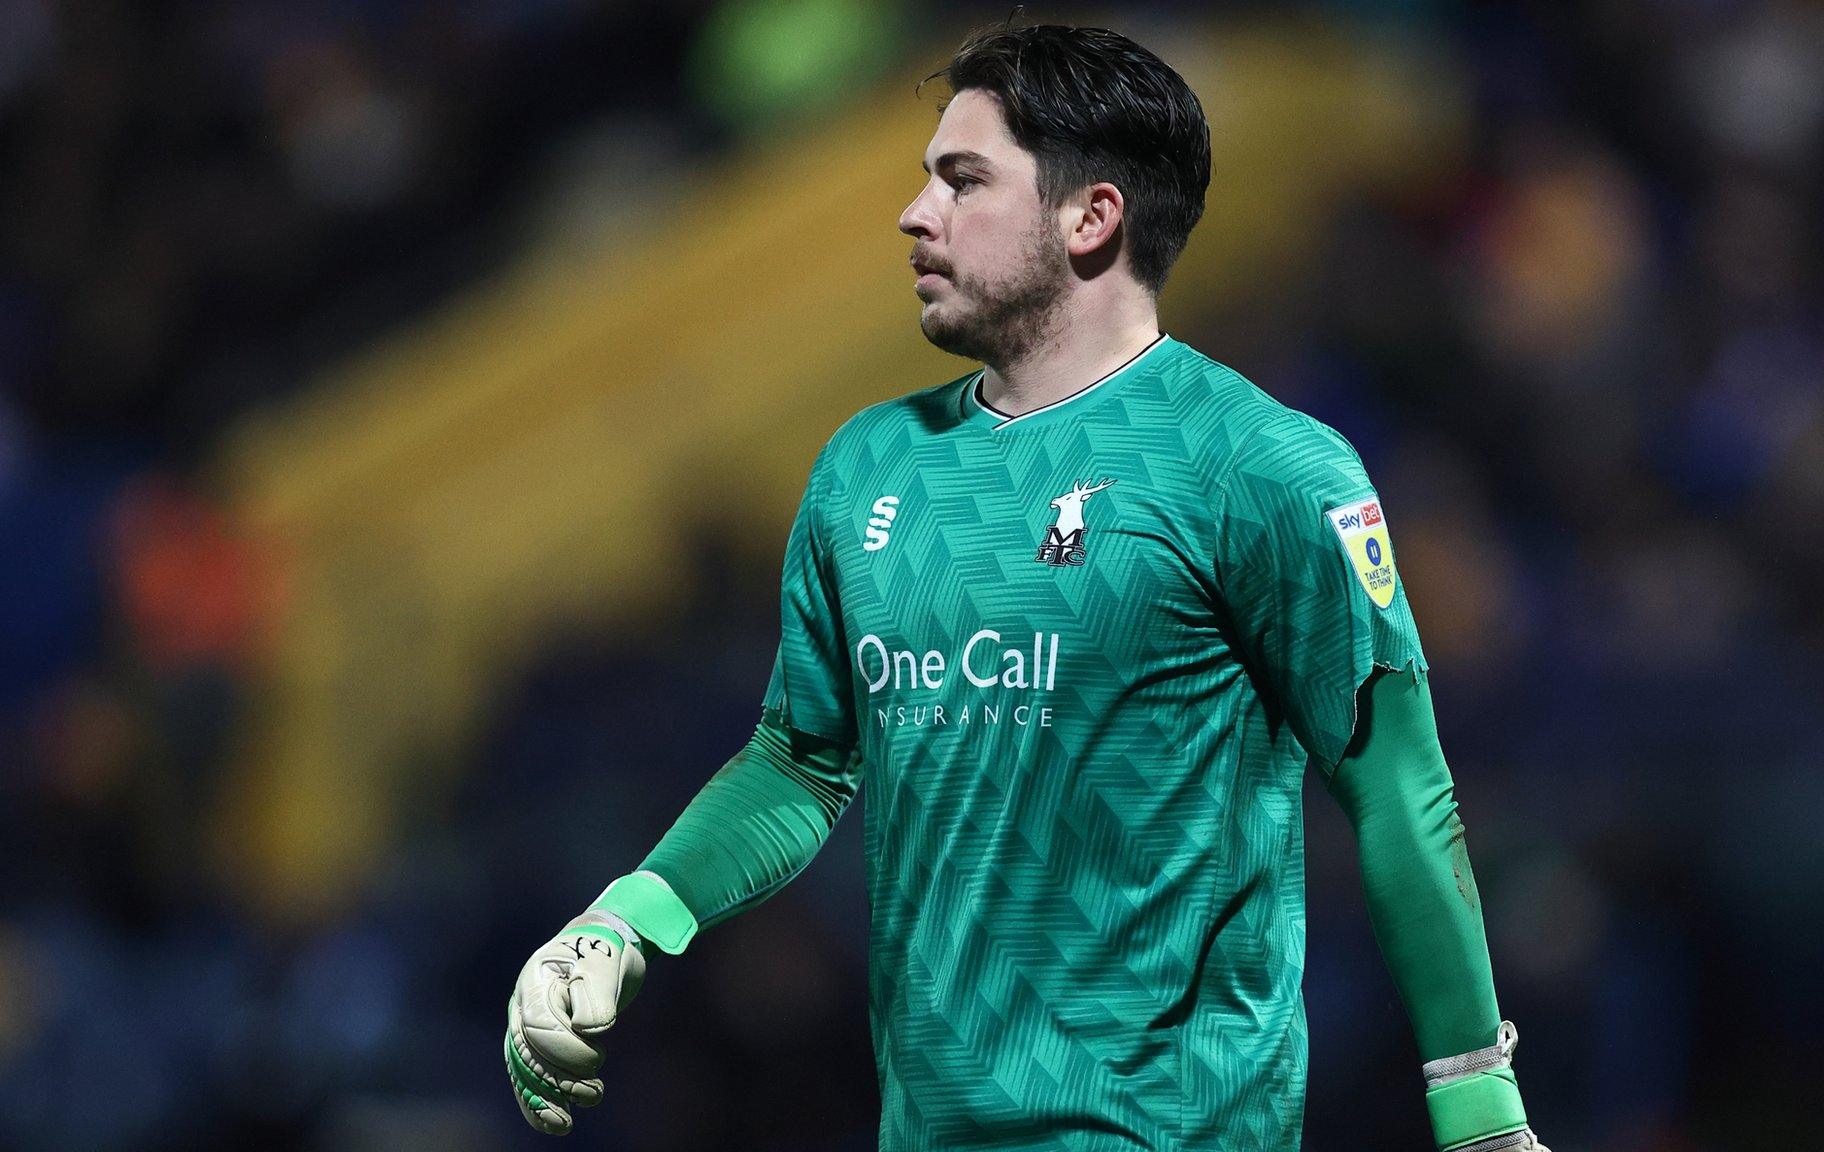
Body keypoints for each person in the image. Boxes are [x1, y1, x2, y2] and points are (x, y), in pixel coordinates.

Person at [505, 21, 1548, 1152]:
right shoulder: (868, 467)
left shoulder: (1260, 470)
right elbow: (801, 758)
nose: (915, 215)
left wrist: (1478, 1112)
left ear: (1088, 217)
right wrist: (624, 921)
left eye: (962, 182)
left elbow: (1398, 794)